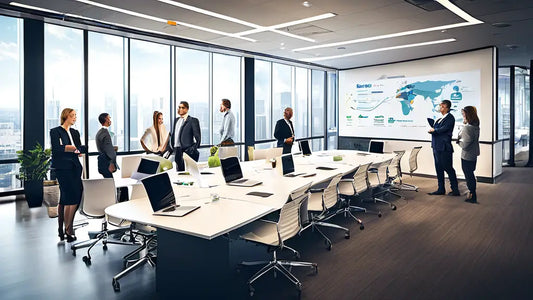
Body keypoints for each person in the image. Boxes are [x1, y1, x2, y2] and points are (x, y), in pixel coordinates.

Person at [50, 108, 86, 242]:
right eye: (73, 116)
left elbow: (81, 147)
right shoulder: (55, 131)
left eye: (76, 115)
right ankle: (68, 229)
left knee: (73, 196)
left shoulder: (75, 132)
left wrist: (75, 149)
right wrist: (68, 148)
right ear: (66, 116)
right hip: (63, 168)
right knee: (69, 197)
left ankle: (65, 228)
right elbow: (56, 149)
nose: (75, 118)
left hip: (75, 167)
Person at [428, 100, 460, 196]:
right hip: (436, 147)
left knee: (448, 168)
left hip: (444, 148)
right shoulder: (440, 118)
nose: (439, 108)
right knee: (438, 168)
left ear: (446, 107)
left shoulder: (450, 118)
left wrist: (434, 130)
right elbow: (436, 128)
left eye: (441, 106)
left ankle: (455, 189)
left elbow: (444, 129)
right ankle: (441, 189)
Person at [457, 106, 480, 203]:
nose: (462, 116)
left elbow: (465, 144)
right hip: (473, 154)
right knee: (471, 174)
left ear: (468, 114)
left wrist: (458, 142)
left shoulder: (467, 128)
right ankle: (472, 193)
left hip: (467, 155)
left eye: (463, 114)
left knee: (469, 175)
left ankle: (472, 195)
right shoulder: (475, 126)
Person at [169, 101, 201, 171]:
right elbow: (174, 133)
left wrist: (192, 149)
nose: (180, 109)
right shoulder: (176, 120)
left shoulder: (193, 120)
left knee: (188, 171)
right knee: (179, 171)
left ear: (187, 109)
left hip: (186, 150)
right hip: (177, 150)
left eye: (182, 107)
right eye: (179, 107)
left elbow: (198, 139)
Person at [95, 113, 118, 178]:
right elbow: (109, 150)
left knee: (107, 184)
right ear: (106, 119)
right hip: (107, 163)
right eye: (109, 118)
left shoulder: (100, 132)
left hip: (102, 161)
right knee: (110, 185)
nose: (110, 120)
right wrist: (112, 163)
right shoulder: (105, 133)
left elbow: (103, 147)